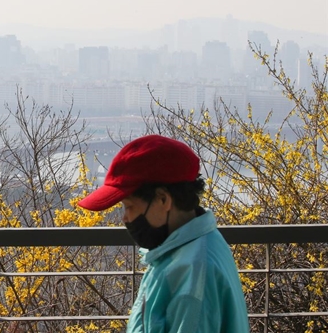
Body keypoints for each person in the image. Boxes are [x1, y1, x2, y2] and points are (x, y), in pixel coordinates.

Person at [77, 134, 249, 332]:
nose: (125, 218)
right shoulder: (187, 249)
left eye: (129, 206)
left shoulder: (193, 275)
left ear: (163, 199)